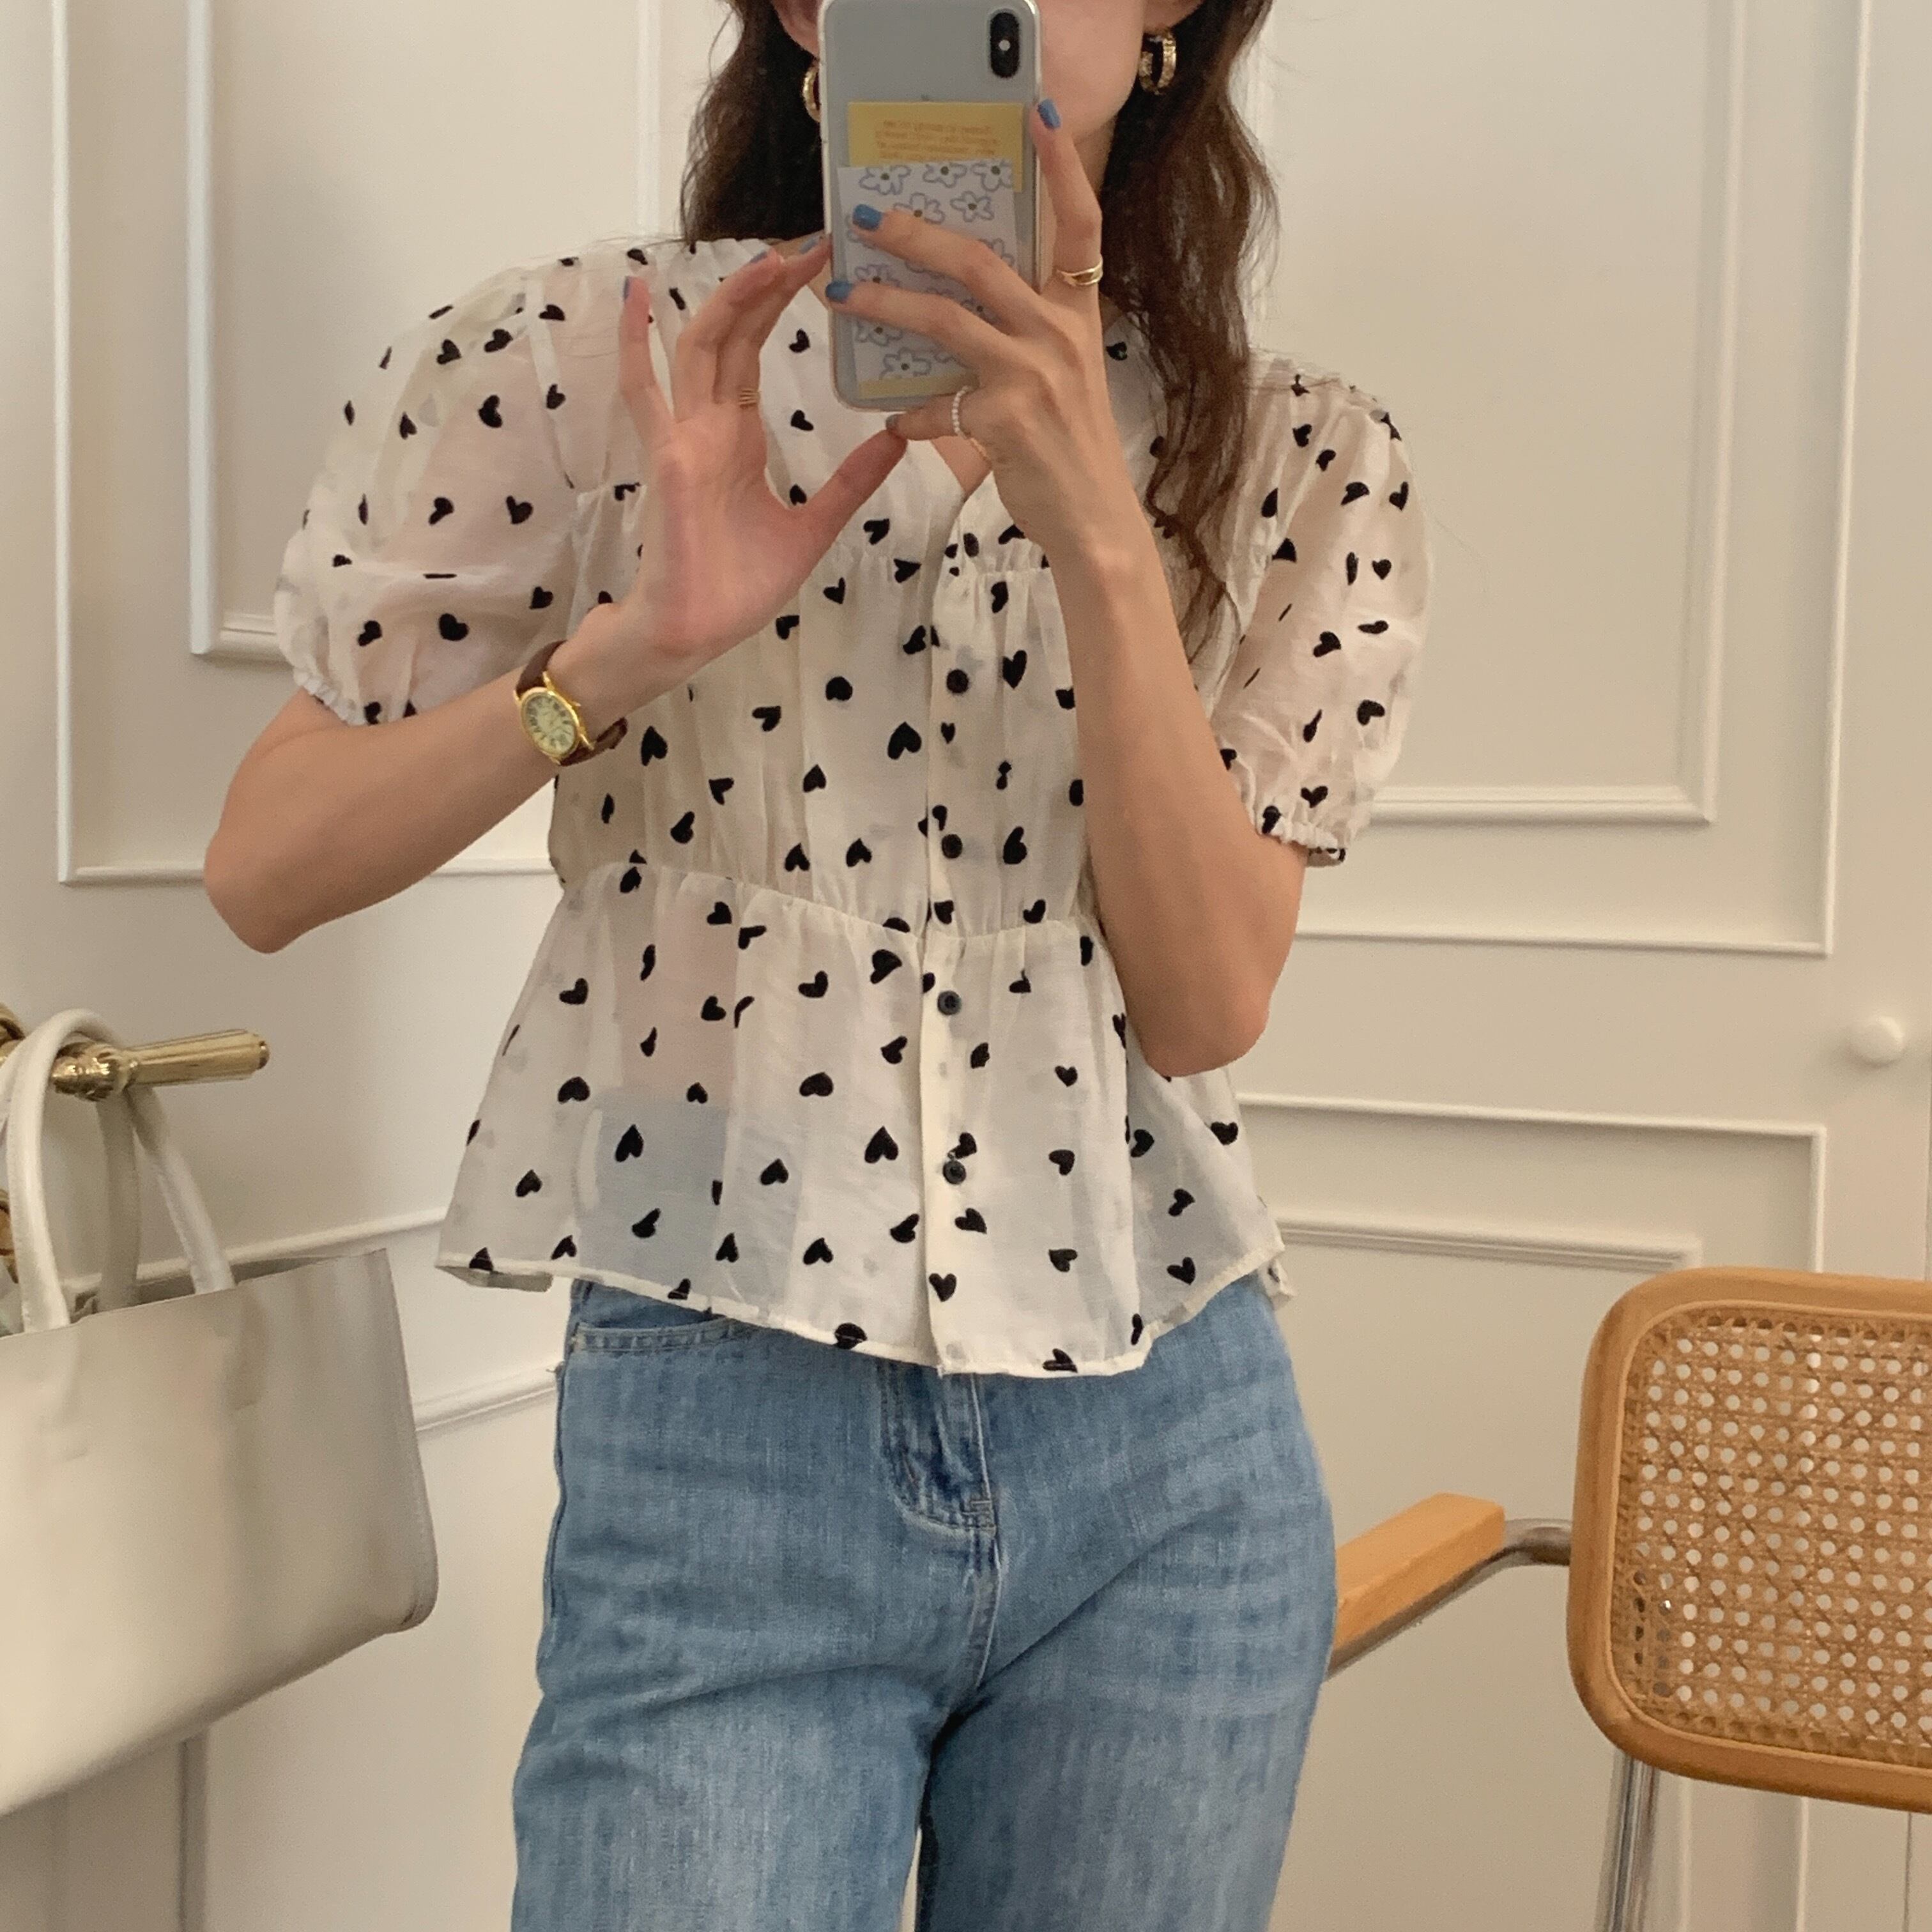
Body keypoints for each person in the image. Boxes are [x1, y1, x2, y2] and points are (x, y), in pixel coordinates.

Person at [206, 2, 1431, 1925]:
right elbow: (265, 869)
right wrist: (624, 652)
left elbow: (1206, 1003)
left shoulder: (1298, 456)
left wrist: (1102, 543)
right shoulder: (584, 360)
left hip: (1171, 1462)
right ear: (804, 10)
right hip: (729, 1421)